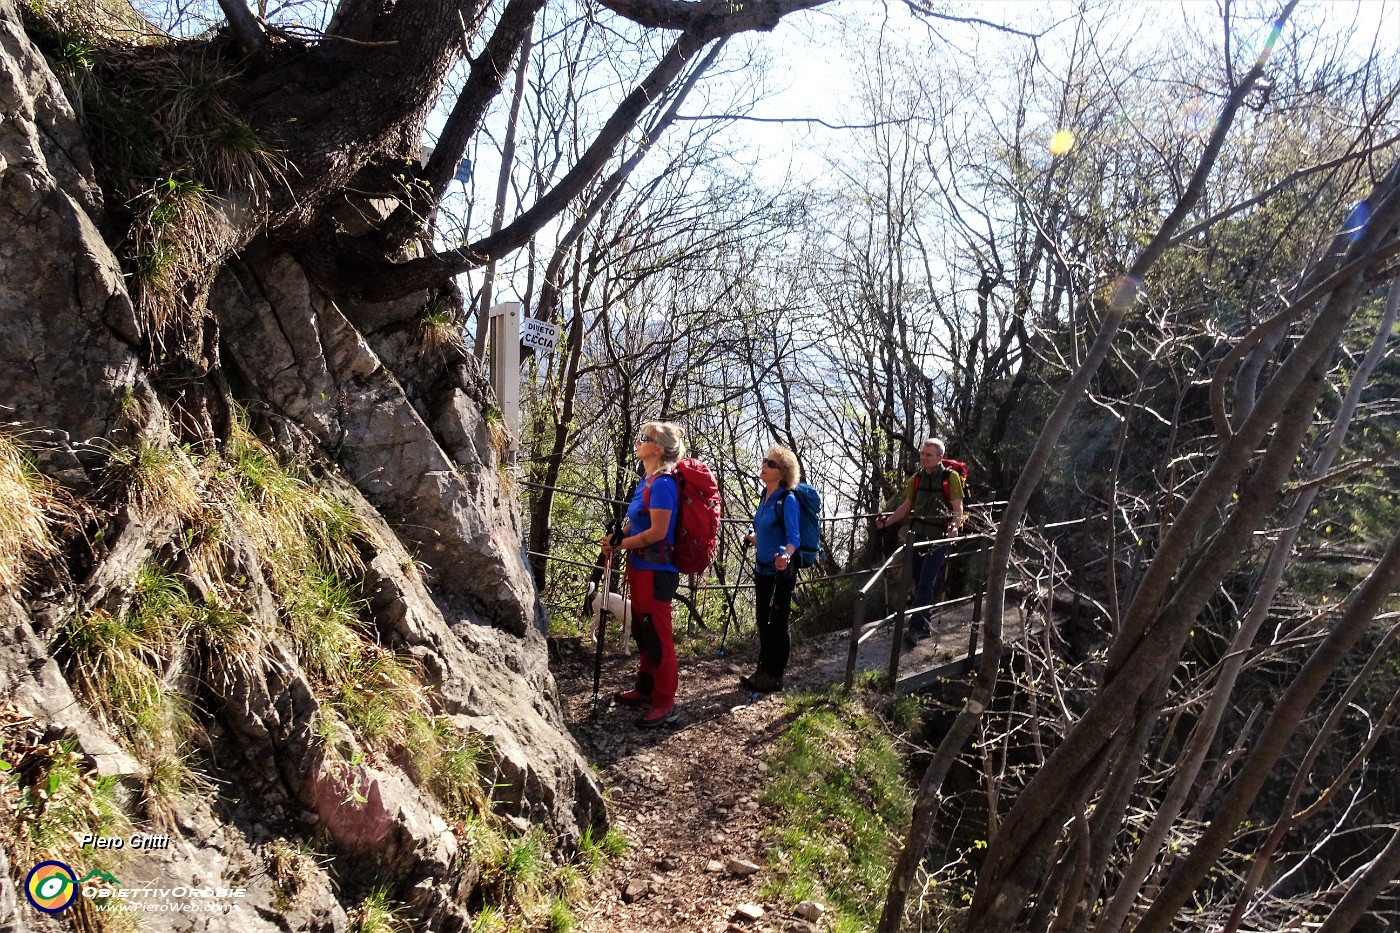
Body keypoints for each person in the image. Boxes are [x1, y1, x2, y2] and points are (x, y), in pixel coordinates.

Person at [601, 420, 684, 728]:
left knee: (658, 635)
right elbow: (635, 523)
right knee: (643, 629)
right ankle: (645, 688)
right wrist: (617, 537)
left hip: (656, 570)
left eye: (643, 438)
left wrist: (622, 544)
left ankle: (665, 702)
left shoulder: (663, 484)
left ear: (658, 449)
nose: (637, 441)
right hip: (640, 568)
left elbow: (657, 533)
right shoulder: (647, 480)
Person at [875, 438, 965, 647]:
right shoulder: (916, 479)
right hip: (916, 537)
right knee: (918, 578)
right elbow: (906, 507)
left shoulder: (950, 478)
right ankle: (924, 618)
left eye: (928, 455)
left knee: (925, 581)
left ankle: (917, 627)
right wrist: (887, 522)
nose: (923, 458)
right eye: (922, 454)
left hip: (938, 537)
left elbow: (958, 509)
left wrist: (954, 526)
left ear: (940, 457)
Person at [740, 445, 802, 694]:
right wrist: (753, 538)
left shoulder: (788, 500)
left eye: (771, 464)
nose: (764, 466)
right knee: (762, 621)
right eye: (765, 461)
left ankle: (775, 675)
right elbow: (767, 530)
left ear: (783, 473)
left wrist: (785, 556)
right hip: (762, 569)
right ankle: (763, 670)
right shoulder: (764, 498)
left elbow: (793, 538)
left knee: (777, 622)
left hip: (781, 570)